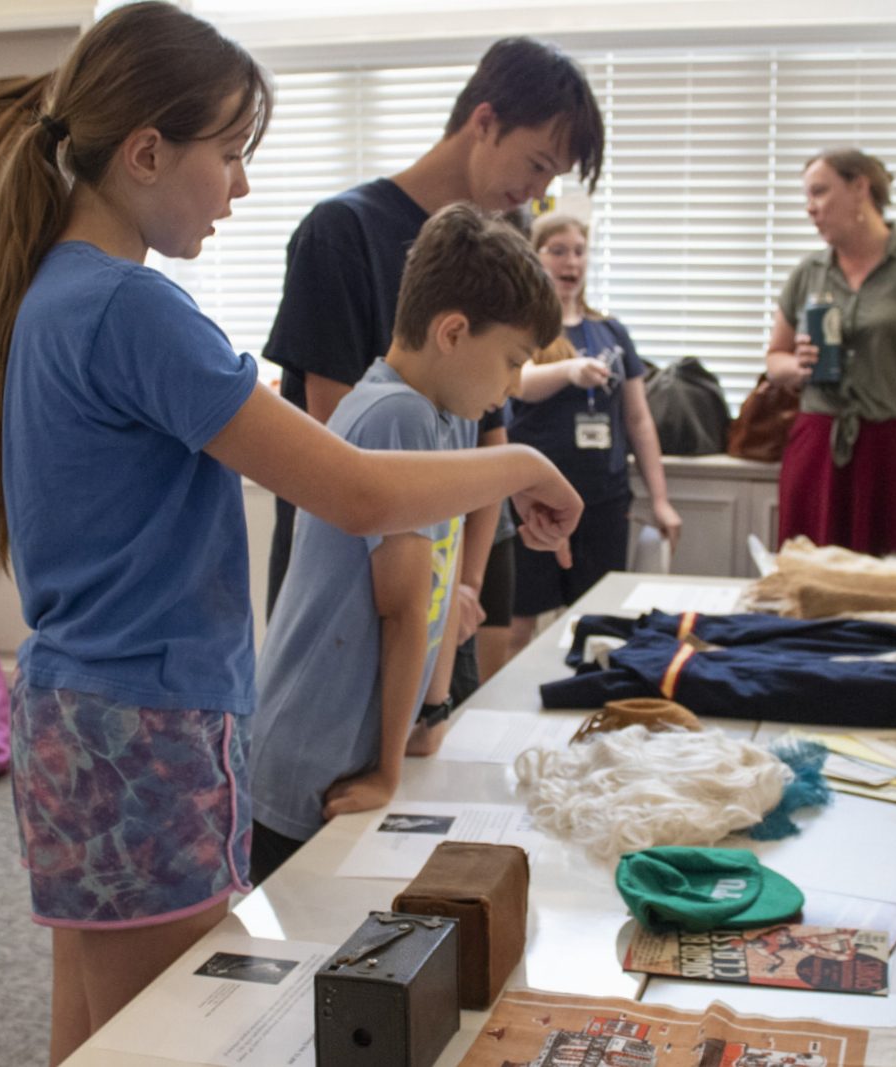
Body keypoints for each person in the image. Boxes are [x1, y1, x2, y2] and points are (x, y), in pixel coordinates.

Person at [0, 6, 582, 1062]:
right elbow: (363, 491)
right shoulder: (132, 310)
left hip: (78, 715)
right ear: (148, 151)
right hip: (142, 729)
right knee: (180, 1035)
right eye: (231, 154)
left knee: (99, 1032)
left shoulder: (53, 293)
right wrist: (519, 463)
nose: (240, 186)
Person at [261, 37, 606, 700]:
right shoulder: (341, 234)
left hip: (462, 554)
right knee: (337, 773)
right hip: (355, 572)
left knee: (440, 761)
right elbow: (335, 450)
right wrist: (436, 589)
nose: (535, 193)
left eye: (550, 180)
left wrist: (464, 586)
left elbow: (489, 429)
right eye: (534, 164)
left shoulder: (499, 255)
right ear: (484, 122)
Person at [249, 204, 561, 882]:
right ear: (452, 332)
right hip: (316, 751)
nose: (512, 385)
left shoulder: (444, 415)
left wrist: (429, 716)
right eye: (510, 361)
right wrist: (388, 768)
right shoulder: (397, 413)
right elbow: (402, 607)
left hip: (359, 741)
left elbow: (441, 589)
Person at [764, 148, 896, 570]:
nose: (810, 208)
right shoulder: (808, 271)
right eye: (807, 197)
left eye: (820, 192)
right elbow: (775, 358)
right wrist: (797, 366)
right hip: (822, 453)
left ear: (860, 187)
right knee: (817, 585)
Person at [506, 212, 681, 655]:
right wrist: (569, 371)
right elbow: (517, 383)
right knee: (518, 621)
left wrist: (659, 500)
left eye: (580, 251)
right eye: (559, 251)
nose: (572, 262)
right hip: (535, 499)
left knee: (599, 617)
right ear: (535, 256)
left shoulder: (611, 331)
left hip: (603, 499)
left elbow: (638, 420)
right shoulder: (525, 328)